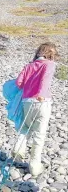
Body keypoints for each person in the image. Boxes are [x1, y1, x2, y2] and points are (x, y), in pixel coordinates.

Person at [13, 43, 59, 177]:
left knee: (26, 126)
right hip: (42, 102)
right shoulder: (49, 64)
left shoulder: (29, 66)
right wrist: (40, 94)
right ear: (51, 54)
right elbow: (45, 80)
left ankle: (18, 148)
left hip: (27, 101)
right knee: (39, 134)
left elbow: (19, 83)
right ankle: (34, 165)